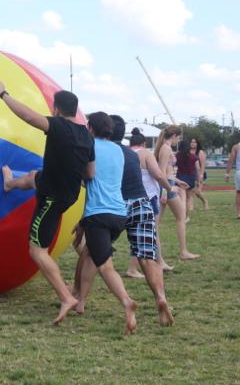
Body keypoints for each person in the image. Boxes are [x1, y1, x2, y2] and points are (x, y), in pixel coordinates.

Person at [0, 81, 94, 325]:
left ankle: (65, 296)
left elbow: (28, 116)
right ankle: (10, 183)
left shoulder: (58, 126)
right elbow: (89, 174)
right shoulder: (86, 136)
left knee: (37, 250)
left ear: (57, 110)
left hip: (53, 197)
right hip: (66, 191)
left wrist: (4, 94)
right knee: (31, 177)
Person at [78, 117, 174, 329]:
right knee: (148, 258)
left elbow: (92, 180)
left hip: (116, 206)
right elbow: (156, 174)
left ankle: (80, 300)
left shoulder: (100, 151)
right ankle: (160, 296)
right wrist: (171, 189)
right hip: (142, 203)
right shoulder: (131, 154)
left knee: (93, 254)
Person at [70, 112, 138, 334]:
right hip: (119, 214)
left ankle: (127, 302)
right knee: (90, 253)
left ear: (90, 128)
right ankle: (80, 302)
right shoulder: (118, 150)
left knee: (105, 265)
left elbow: (86, 176)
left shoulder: (90, 145)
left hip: (99, 215)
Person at [126, 127, 184, 277]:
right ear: (144, 143)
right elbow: (159, 174)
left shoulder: (126, 153)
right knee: (148, 232)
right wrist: (169, 188)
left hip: (130, 196)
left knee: (146, 231)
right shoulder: (146, 153)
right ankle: (136, 267)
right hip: (149, 196)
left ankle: (159, 261)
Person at [154, 125, 200, 260]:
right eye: (178, 138)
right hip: (167, 188)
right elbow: (161, 173)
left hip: (168, 186)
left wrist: (178, 181)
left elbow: (166, 173)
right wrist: (168, 189)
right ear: (174, 136)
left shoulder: (164, 148)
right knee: (181, 217)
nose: (178, 141)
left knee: (157, 223)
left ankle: (159, 254)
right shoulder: (166, 148)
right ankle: (183, 251)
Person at [175, 140, 198, 220]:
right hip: (190, 178)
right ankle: (186, 216)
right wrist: (198, 179)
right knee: (188, 198)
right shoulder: (193, 156)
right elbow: (197, 168)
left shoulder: (177, 156)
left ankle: (180, 215)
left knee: (181, 198)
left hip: (180, 177)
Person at [190, 137, 209, 210]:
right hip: (191, 173)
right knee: (191, 191)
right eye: (191, 142)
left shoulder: (200, 152)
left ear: (197, 144)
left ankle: (205, 201)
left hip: (199, 174)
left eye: (194, 142)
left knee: (197, 192)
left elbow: (203, 165)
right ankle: (191, 207)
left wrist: (201, 175)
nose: (192, 143)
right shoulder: (189, 151)